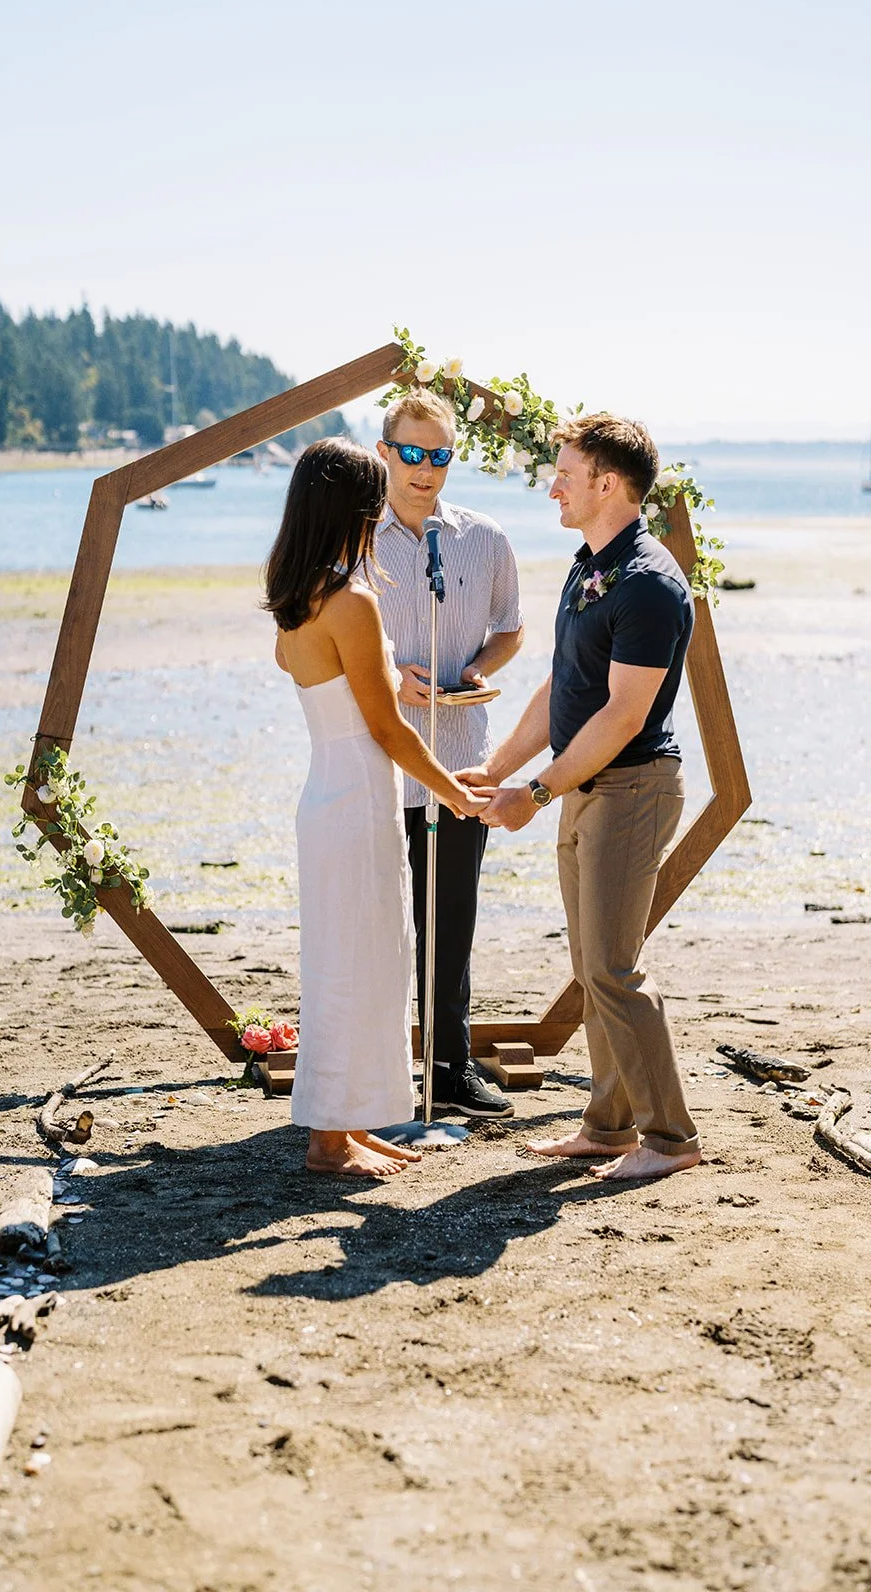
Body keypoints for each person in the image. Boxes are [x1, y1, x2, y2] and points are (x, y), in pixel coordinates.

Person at [465, 414, 701, 1182]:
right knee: (592, 964)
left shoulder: (649, 583)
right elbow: (559, 689)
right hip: (585, 788)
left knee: (613, 968)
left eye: (564, 471)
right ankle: (606, 1126)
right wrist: (495, 767)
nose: (551, 484)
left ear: (608, 483)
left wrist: (533, 791)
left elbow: (623, 715)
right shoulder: (587, 566)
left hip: (631, 787)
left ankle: (669, 1139)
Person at [265, 437, 489, 1179]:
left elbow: (339, 695)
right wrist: (454, 788)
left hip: (329, 792)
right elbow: (387, 728)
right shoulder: (351, 601)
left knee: (355, 963)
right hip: (358, 796)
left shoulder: (296, 599)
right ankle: (329, 1142)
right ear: (356, 511)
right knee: (356, 966)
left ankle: (349, 1124)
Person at [374, 387, 524, 1119]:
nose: (425, 470)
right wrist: (384, 677)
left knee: (451, 920)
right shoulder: (353, 540)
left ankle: (450, 1065)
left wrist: (478, 672)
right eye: (412, 453)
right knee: (375, 919)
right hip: (377, 765)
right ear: (383, 453)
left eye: (439, 455)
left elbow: (511, 628)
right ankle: (370, 1069)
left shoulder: (483, 538)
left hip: (463, 757)